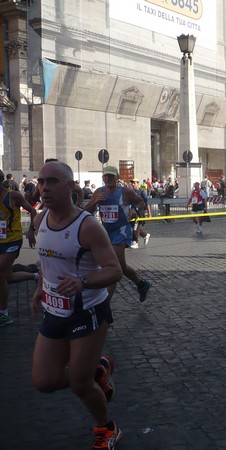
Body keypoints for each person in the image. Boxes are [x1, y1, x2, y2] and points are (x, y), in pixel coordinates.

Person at [30, 161, 123, 449]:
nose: (44, 188)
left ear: (70, 187)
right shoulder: (39, 221)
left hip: (89, 311)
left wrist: (83, 283)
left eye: (52, 182)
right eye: (41, 181)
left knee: (80, 385)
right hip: (55, 310)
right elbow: (48, 261)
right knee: (43, 381)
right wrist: (38, 290)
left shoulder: (88, 226)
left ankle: (107, 429)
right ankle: (98, 372)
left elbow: (114, 270)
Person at [85, 166, 152, 302]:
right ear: (103, 178)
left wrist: (134, 210)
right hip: (105, 232)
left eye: (111, 176)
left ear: (117, 178)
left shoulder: (125, 192)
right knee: (121, 267)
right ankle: (141, 284)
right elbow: (86, 211)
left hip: (121, 231)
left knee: (113, 267)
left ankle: (106, 305)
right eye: (106, 176)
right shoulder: (99, 192)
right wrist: (95, 201)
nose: (108, 179)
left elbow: (140, 202)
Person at [0, 170, 37, 327]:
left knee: (0, 273)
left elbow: (33, 210)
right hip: (1, 241)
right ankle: (35, 276)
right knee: (6, 277)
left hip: (13, 240)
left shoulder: (13, 196)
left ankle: (4, 314)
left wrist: (31, 230)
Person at [129, 178, 151, 247]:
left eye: (134, 183)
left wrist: (149, 213)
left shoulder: (142, 192)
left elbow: (147, 203)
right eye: (132, 183)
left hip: (139, 212)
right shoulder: (131, 192)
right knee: (133, 225)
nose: (133, 184)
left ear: (138, 183)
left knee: (136, 225)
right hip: (132, 211)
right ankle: (145, 235)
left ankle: (135, 241)